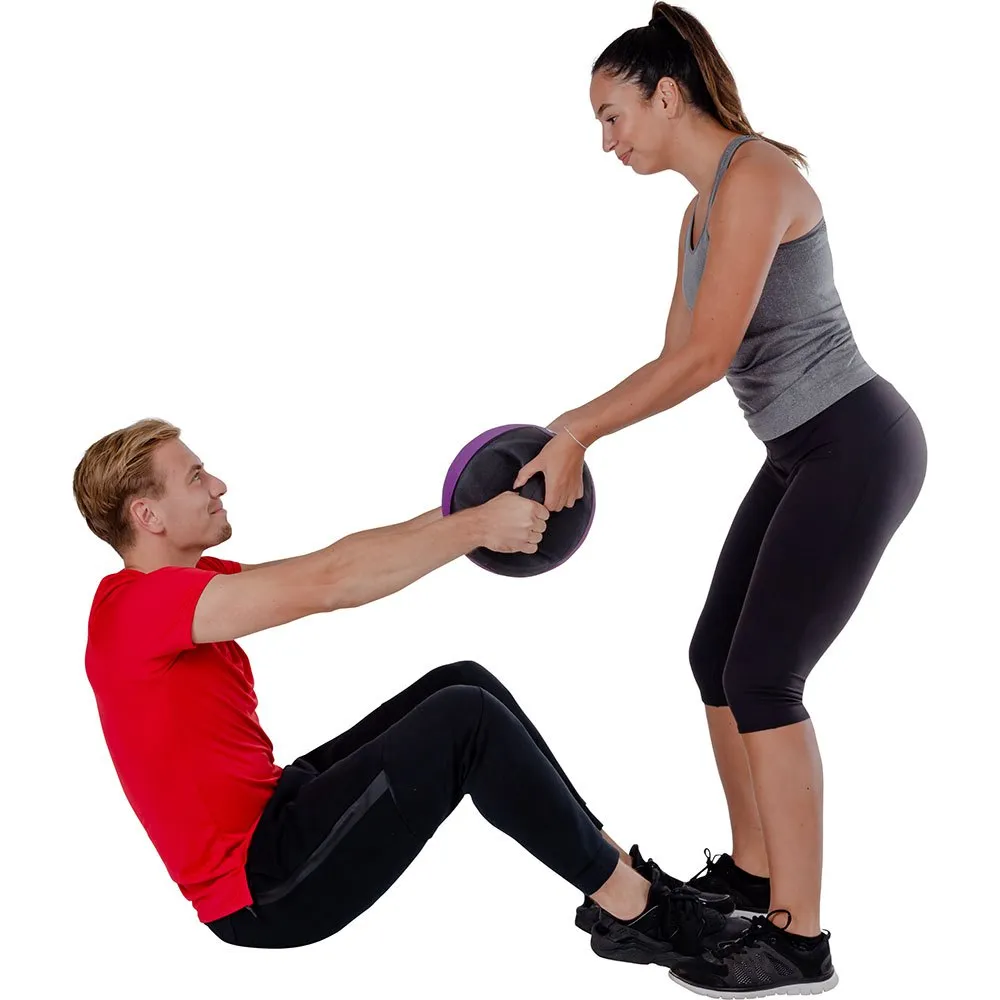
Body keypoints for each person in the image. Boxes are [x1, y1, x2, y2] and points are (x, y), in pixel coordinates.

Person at [512, 4, 927, 995]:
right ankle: (753, 873)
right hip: (800, 452)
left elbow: (705, 358)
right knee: (717, 658)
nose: (606, 142)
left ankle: (800, 939)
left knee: (765, 677)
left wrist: (575, 428)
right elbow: (676, 358)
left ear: (666, 95)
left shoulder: (761, 178)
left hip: (856, 444)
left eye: (611, 115)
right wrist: (575, 430)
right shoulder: (698, 214)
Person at [73, 417, 743, 960]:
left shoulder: (182, 590)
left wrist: (473, 505)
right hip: (263, 888)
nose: (218, 483)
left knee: (461, 682)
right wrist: (476, 528)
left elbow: (332, 559)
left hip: (278, 812)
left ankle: (625, 873)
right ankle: (639, 914)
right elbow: (331, 584)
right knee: (465, 719)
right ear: (148, 515)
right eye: (195, 477)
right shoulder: (137, 608)